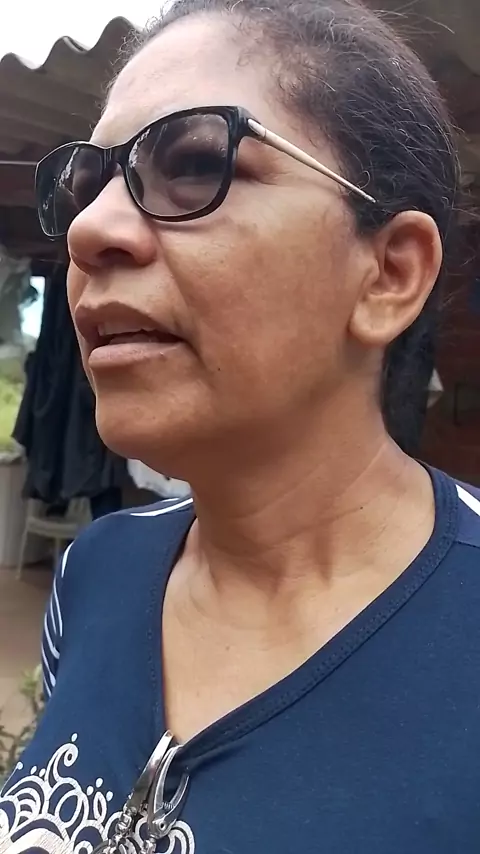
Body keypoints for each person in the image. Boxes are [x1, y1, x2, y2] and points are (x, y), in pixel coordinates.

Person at [1, 0, 479, 851]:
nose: (89, 228)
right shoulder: (98, 569)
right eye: (85, 186)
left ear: (388, 275)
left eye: (195, 164)